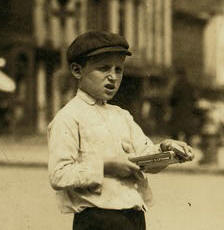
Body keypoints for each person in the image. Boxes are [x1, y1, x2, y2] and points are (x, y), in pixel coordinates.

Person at [47, 31, 193, 230]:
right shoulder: (69, 117)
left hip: (133, 218)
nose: (113, 77)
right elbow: (58, 175)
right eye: (104, 68)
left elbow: (145, 159)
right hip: (97, 220)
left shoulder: (122, 116)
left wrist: (167, 151)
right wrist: (105, 167)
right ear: (77, 70)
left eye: (119, 70)